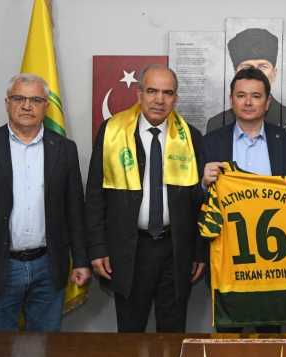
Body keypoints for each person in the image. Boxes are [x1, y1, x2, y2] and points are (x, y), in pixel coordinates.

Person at [0, 74, 90, 331]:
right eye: (19, 98)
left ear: (46, 106)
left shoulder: (65, 149)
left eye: (36, 100)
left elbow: (74, 210)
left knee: (44, 349)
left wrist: (81, 260)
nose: (27, 106)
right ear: (7, 103)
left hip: (48, 266)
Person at [85, 65, 206, 333]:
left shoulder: (191, 137)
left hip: (175, 250)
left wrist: (199, 251)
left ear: (175, 98)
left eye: (167, 93)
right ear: (139, 94)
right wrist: (97, 246)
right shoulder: (112, 132)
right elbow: (95, 194)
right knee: (130, 332)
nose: (159, 100)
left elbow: (198, 204)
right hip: (130, 249)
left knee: (173, 333)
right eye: (152, 91)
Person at [202, 67, 286, 333]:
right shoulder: (210, 143)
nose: (248, 102)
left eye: (256, 96)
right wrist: (203, 184)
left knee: (269, 339)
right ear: (231, 100)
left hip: (274, 261)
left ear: (267, 102)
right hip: (228, 261)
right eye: (241, 95)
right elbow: (193, 202)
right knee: (227, 340)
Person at [206, 28, 286, 146]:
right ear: (236, 75)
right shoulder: (216, 124)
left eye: (263, 66)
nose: (255, 72)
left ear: (274, 74)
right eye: (246, 67)